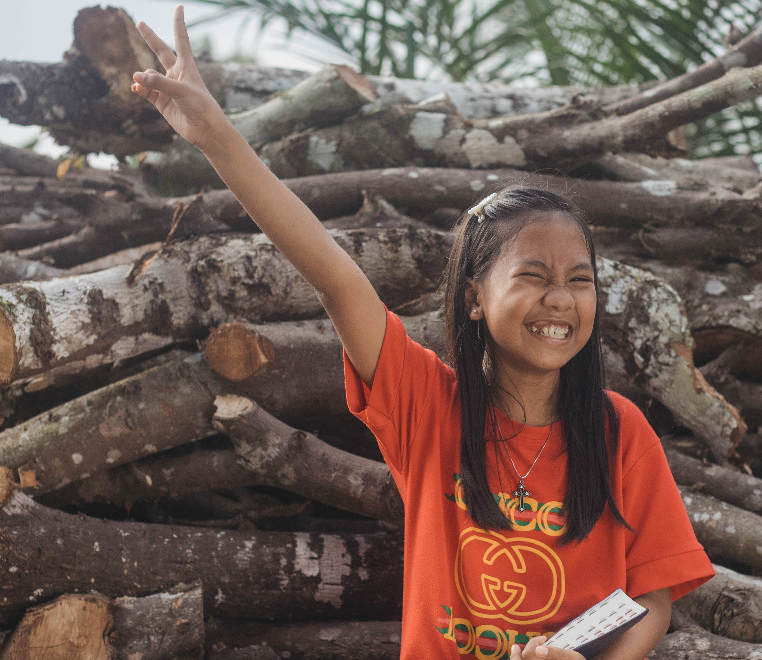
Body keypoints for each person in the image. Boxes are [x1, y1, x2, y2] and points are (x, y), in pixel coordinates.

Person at [131, 7, 714, 658]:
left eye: (580, 280)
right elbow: (337, 280)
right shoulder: (428, 407)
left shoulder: (619, 432)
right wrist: (217, 137)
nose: (561, 299)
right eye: (533, 275)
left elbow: (653, 600)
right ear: (473, 298)